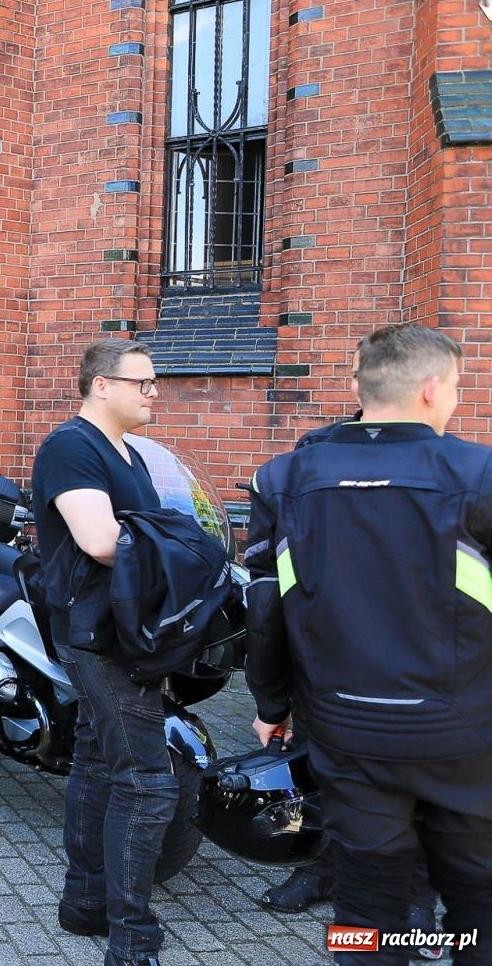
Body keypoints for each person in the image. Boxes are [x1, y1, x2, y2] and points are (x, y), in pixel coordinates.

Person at [246, 324, 492, 966]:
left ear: (361, 386)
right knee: (478, 904)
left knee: (365, 913)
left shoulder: (284, 479)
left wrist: (271, 704)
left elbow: (266, 610)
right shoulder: (480, 475)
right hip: (464, 738)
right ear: (434, 389)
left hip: (346, 732)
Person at [32, 339, 169, 966]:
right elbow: (102, 540)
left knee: (93, 758)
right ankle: (132, 939)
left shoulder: (129, 453)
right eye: (141, 382)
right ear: (100, 386)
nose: (152, 392)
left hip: (120, 626)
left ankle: (85, 903)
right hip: (95, 631)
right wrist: (183, 546)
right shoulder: (72, 446)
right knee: (146, 780)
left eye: (153, 382)